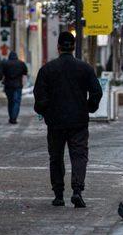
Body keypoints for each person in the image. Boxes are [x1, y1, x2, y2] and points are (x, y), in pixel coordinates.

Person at [34, 32, 102, 208]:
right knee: (79, 156)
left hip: (55, 122)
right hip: (78, 121)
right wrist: (89, 107)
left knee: (56, 157)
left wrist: (44, 110)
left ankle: (58, 194)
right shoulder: (84, 68)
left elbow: (39, 95)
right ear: (73, 47)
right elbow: (96, 91)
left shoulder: (47, 69)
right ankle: (77, 190)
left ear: (58, 47)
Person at [2, 51, 28, 124]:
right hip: (18, 85)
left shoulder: (5, 63)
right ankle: (14, 117)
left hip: (8, 85)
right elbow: (25, 72)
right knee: (16, 102)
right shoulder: (21, 63)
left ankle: (11, 117)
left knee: (10, 102)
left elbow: (2, 72)